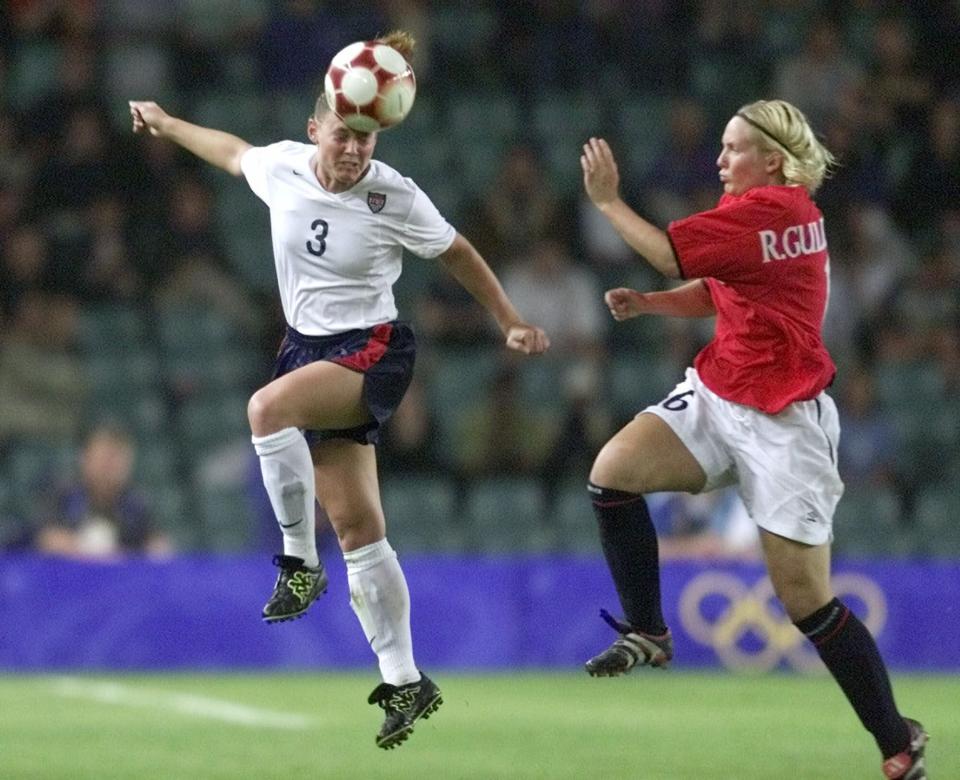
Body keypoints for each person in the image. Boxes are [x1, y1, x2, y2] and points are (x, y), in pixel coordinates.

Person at [129, 29, 549, 751]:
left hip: (373, 348)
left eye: (367, 138)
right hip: (308, 347)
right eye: (344, 135)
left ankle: (296, 564)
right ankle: (406, 679)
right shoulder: (283, 168)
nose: (355, 149)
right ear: (315, 127)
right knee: (360, 530)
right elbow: (230, 152)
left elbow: (457, 252)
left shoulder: (396, 197)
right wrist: (166, 124)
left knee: (266, 407)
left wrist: (507, 319)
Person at [579, 99, 928, 779]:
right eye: (720, 146)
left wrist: (608, 201)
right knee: (612, 472)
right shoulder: (783, 215)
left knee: (805, 602)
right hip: (719, 394)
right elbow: (719, 288)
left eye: (733, 148)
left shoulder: (771, 211)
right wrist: (656, 307)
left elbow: (667, 252)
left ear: (774, 159)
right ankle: (648, 629)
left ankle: (896, 739)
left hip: (785, 421)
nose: (719, 159)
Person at [34, 421, 172, 559]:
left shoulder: (137, 504)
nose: (109, 467)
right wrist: (86, 549)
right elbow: (47, 538)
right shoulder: (63, 494)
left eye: (116, 459)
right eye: (104, 458)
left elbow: (158, 546)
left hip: (120, 576)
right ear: (86, 458)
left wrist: (120, 555)